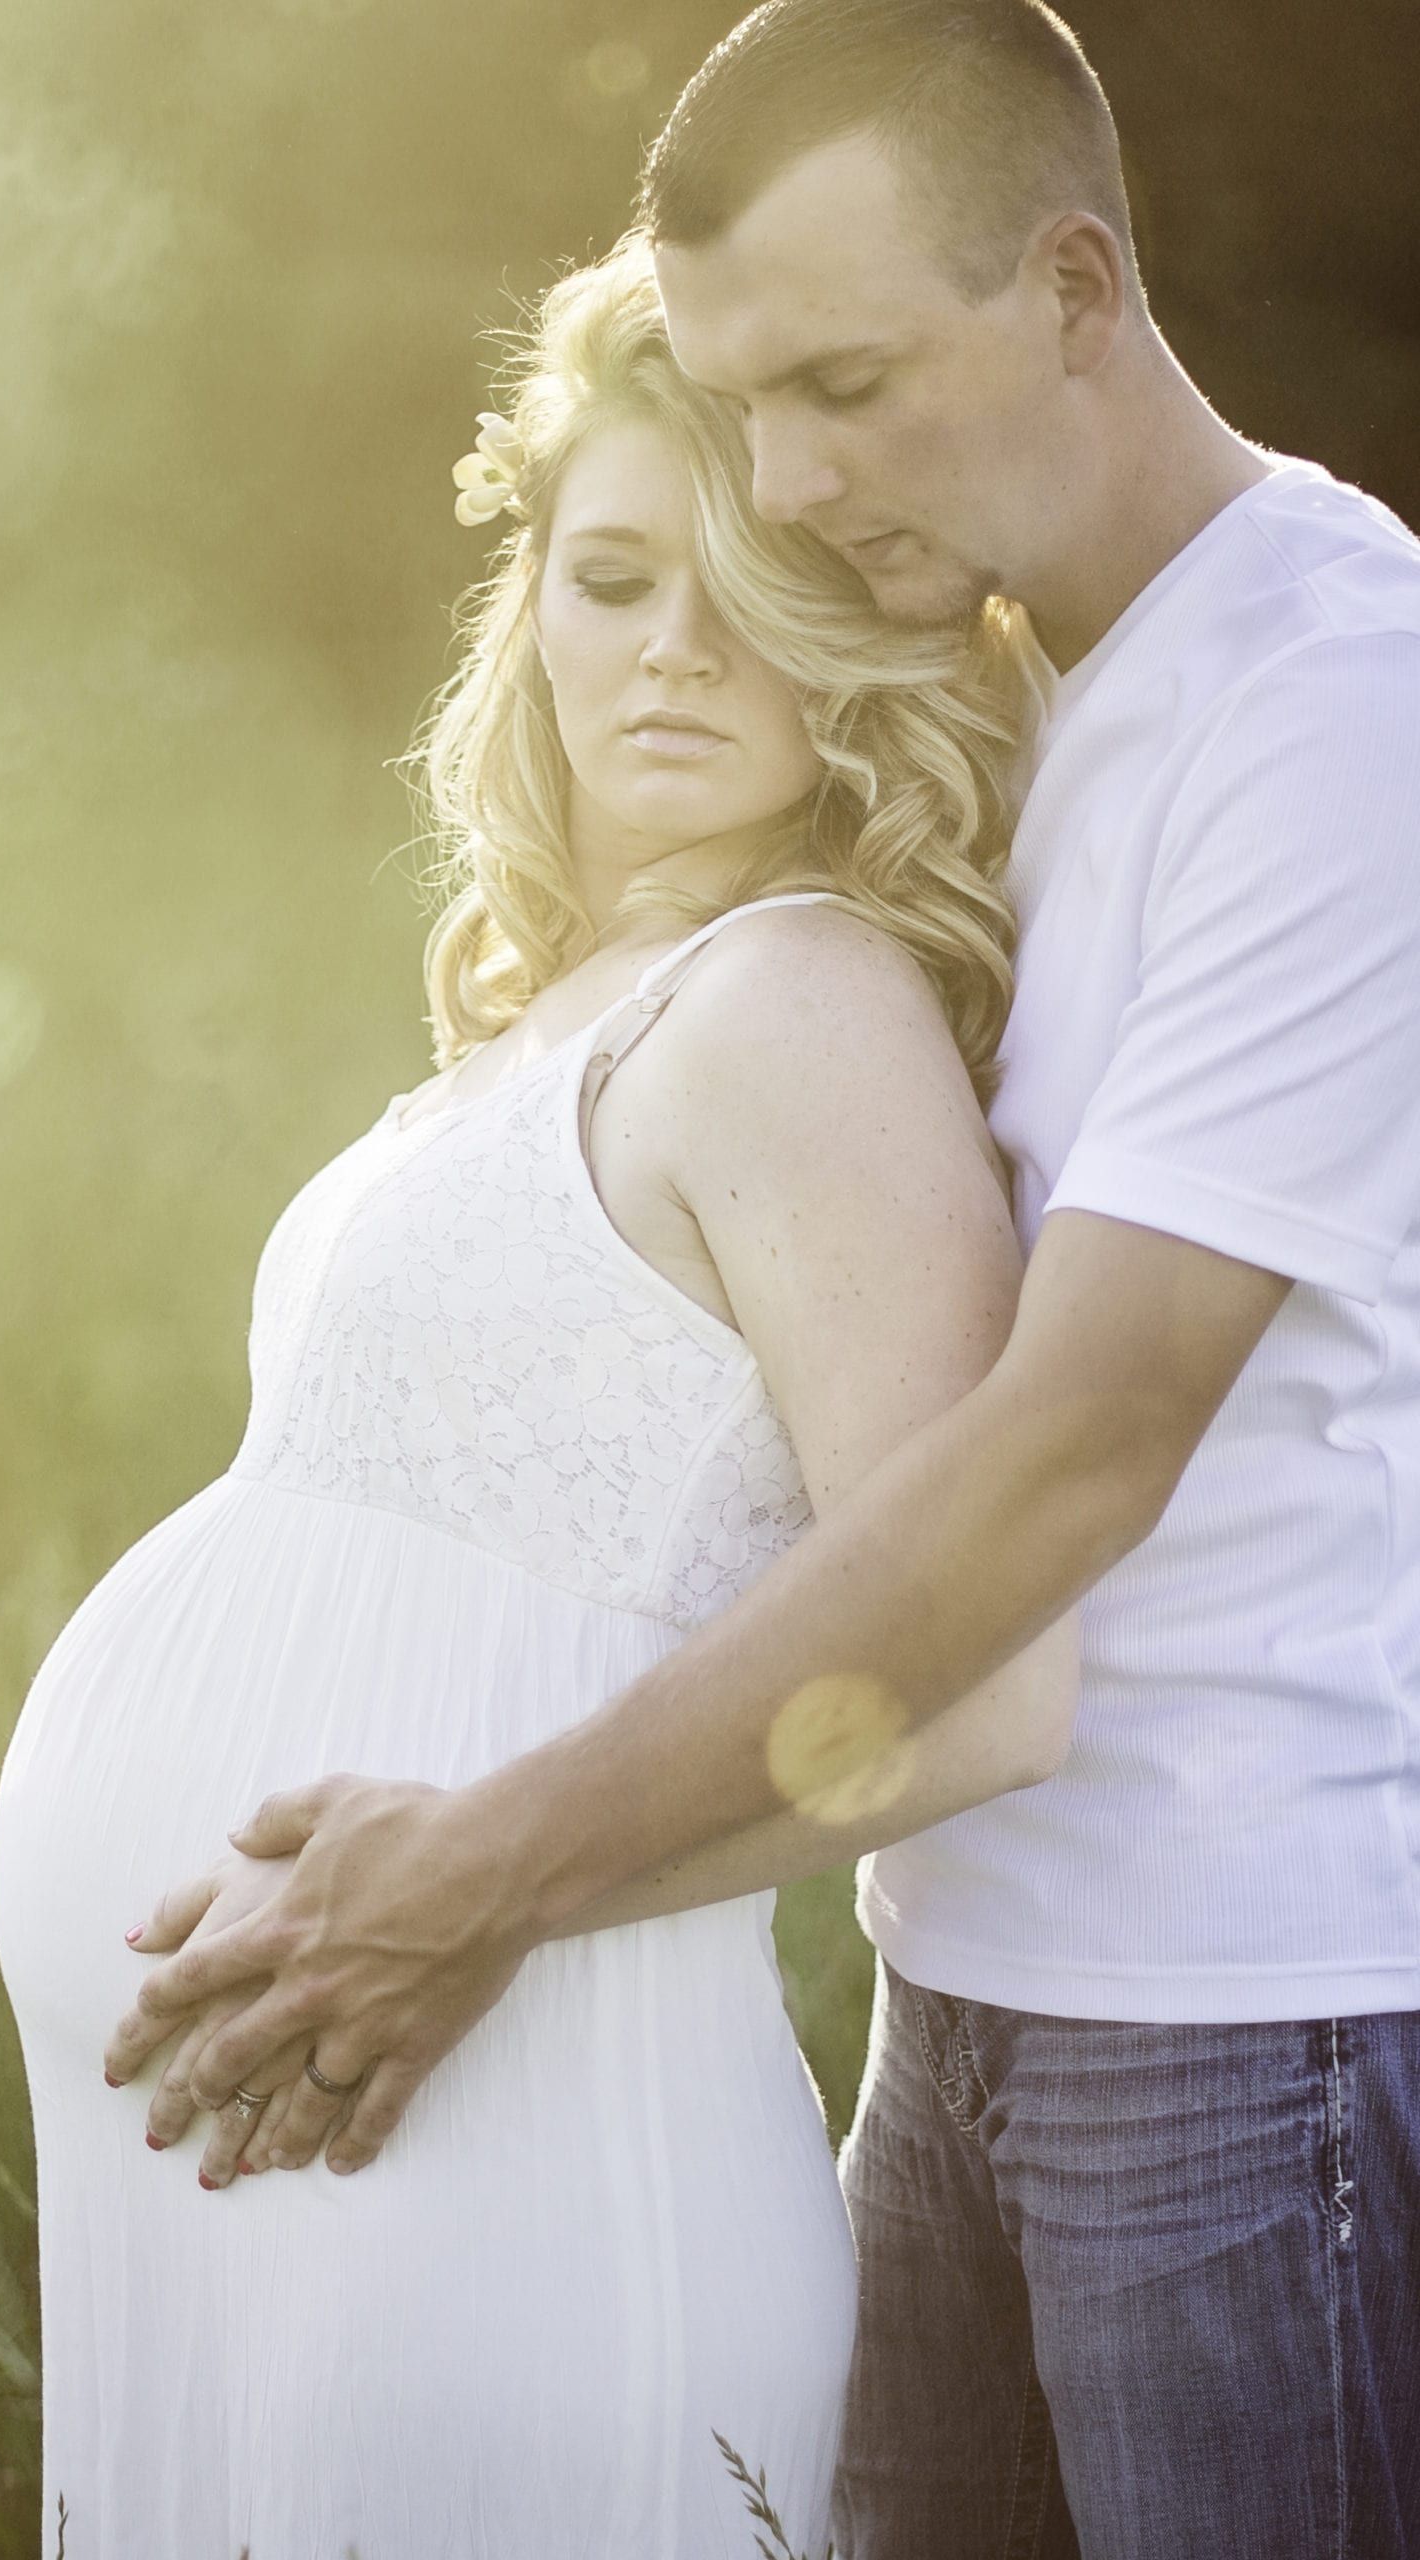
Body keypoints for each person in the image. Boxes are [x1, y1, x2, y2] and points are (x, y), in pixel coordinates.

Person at [107, 5, 1420, 2556]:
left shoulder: (1337, 706)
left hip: (1246, 2012)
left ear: (1073, 286)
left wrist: (488, 1863)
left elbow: (1078, 1442)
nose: (795, 485)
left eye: (843, 386)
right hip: (966, 1995)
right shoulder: (1070, 693)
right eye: (743, 404)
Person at [0, 232, 1078, 2558]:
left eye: (757, 588)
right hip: (333, 2133)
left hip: (519, 2158)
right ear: (532, 608)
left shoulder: (801, 1006)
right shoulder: (574, 1002)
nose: (676, 645)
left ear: (867, 634)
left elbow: (984, 1693)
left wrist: (485, 1898)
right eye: (609, 575)